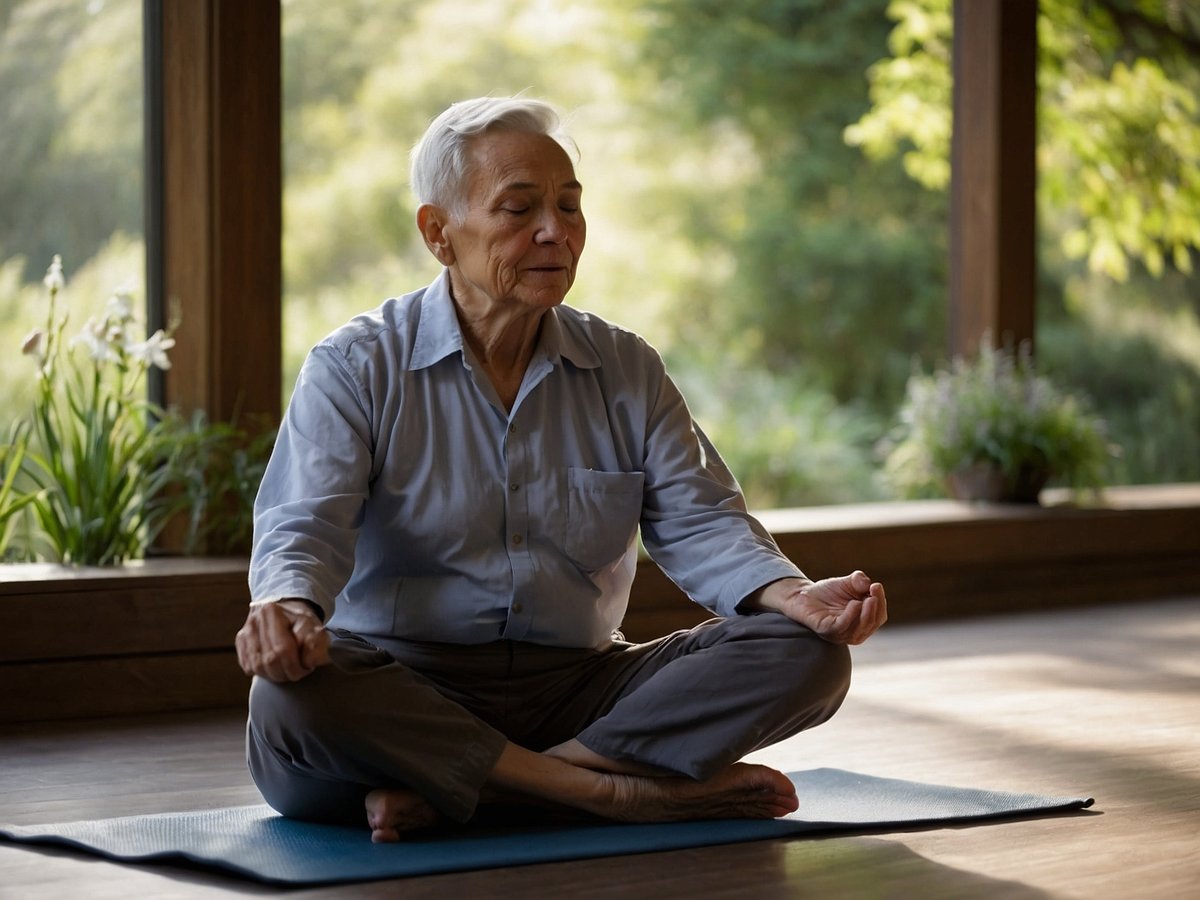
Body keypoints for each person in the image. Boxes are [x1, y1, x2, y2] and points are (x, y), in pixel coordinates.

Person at [236, 96, 887, 842]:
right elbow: (304, 523)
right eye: (519, 209)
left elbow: (704, 520)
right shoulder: (356, 365)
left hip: (581, 691)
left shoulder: (625, 367)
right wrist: (288, 607)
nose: (556, 231)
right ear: (438, 233)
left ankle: (493, 792)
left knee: (808, 655)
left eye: (569, 206)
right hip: (404, 686)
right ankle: (608, 793)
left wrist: (795, 595)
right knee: (289, 701)